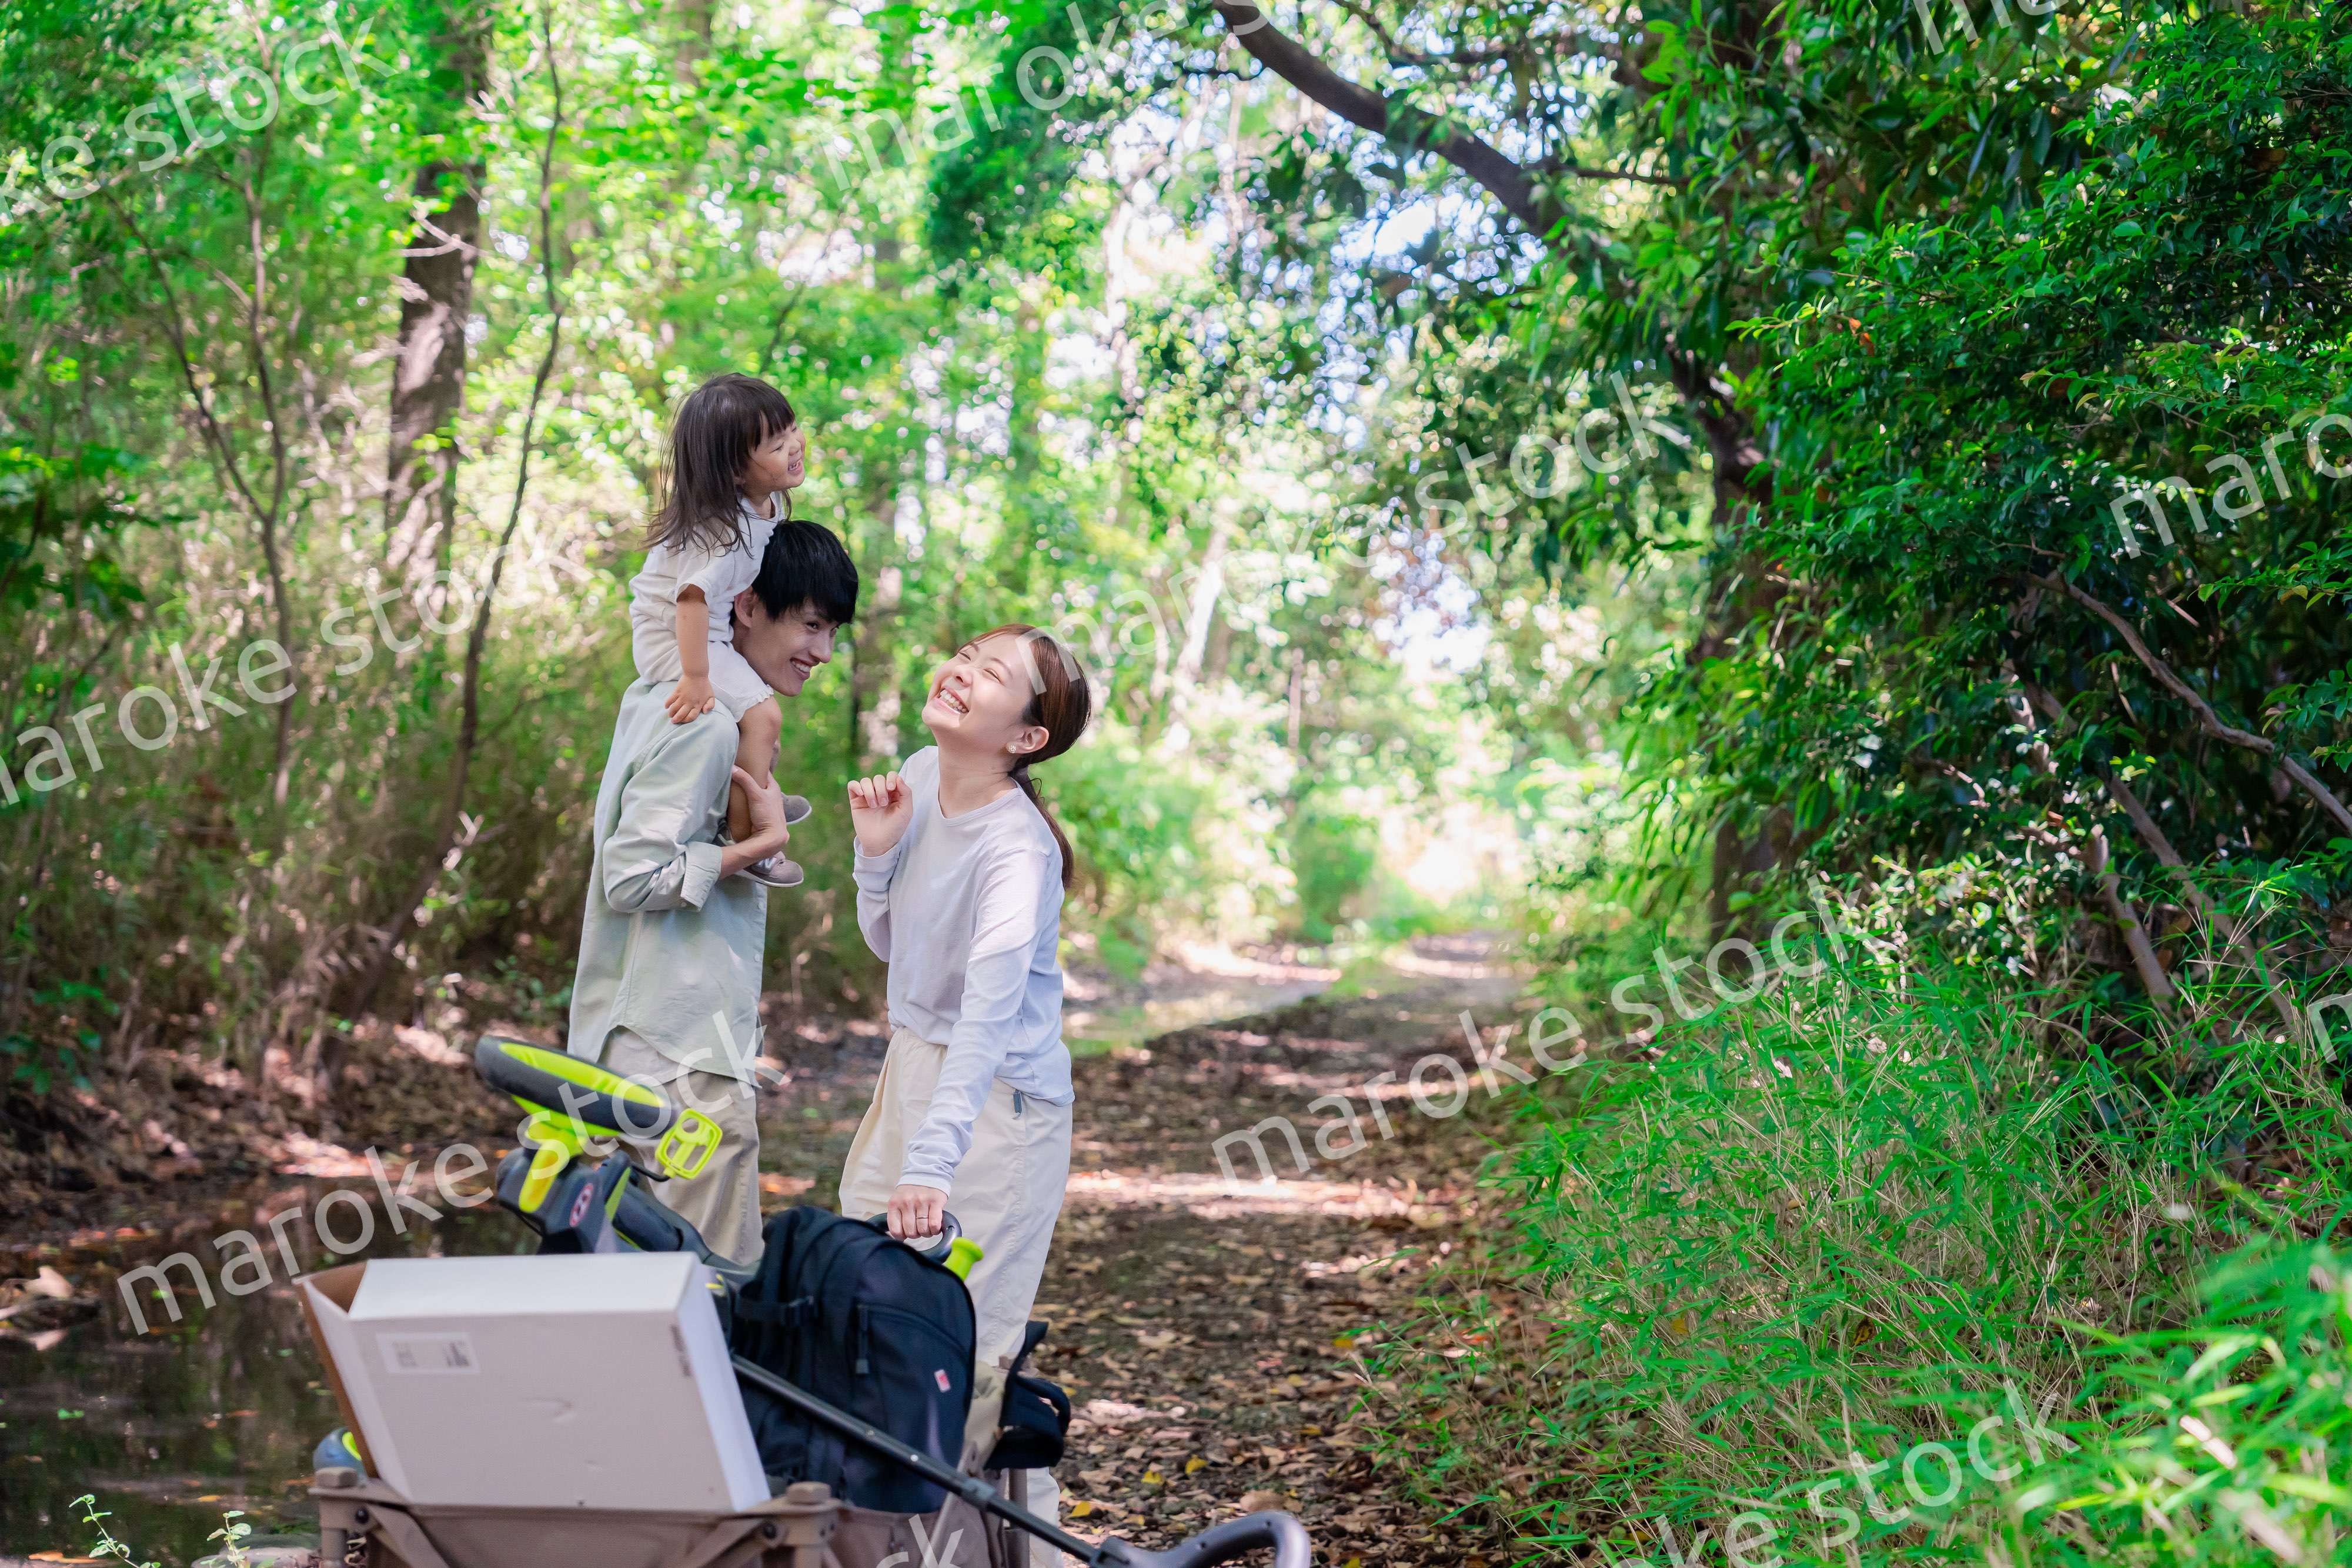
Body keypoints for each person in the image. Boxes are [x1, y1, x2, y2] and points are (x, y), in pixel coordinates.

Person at [839, 624, 1093, 1564]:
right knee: (863, 1324)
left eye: (993, 676)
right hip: (913, 1072)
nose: (961, 673)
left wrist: (931, 1169)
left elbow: (984, 1025)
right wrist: (877, 854)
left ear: (1026, 736)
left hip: (998, 1114)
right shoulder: (918, 770)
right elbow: (896, 952)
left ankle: (1023, 1550)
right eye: (966, 656)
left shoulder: (1019, 854)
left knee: (967, 1363)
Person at [569, 520, 859, 1265]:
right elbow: (631, 876)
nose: (822, 654)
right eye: (812, 625)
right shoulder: (705, 727)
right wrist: (756, 851)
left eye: (833, 634)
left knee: (633, 1301)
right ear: (748, 606)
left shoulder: (668, 700)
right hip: (678, 1059)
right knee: (707, 1305)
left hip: (649, 1042)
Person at [630, 372, 810, 886]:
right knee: (764, 717)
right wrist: (696, 676)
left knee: (757, 720)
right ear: (735, 472)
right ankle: (744, 834)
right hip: (673, 636)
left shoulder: (764, 507)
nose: (795, 446)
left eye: (792, 429)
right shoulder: (720, 532)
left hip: (704, 629)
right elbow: (690, 598)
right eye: (777, 445)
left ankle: (755, 790)